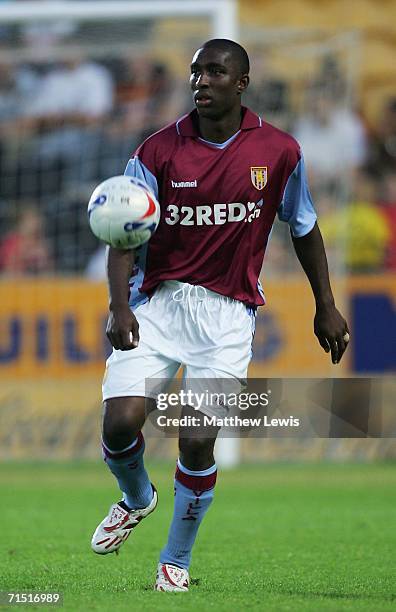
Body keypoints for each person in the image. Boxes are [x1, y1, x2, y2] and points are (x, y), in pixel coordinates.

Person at [91, 39, 349, 592]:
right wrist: (117, 306)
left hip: (227, 316)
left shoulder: (279, 151)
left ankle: (175, 561)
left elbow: (303, 226)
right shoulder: (159, 150)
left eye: (215, 72)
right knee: (119, 425)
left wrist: (325, 305)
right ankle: (138, 497)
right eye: (195, 72)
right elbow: (122, 235)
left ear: (241, 82)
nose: (201, 81)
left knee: (197, 437)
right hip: (157, 305)